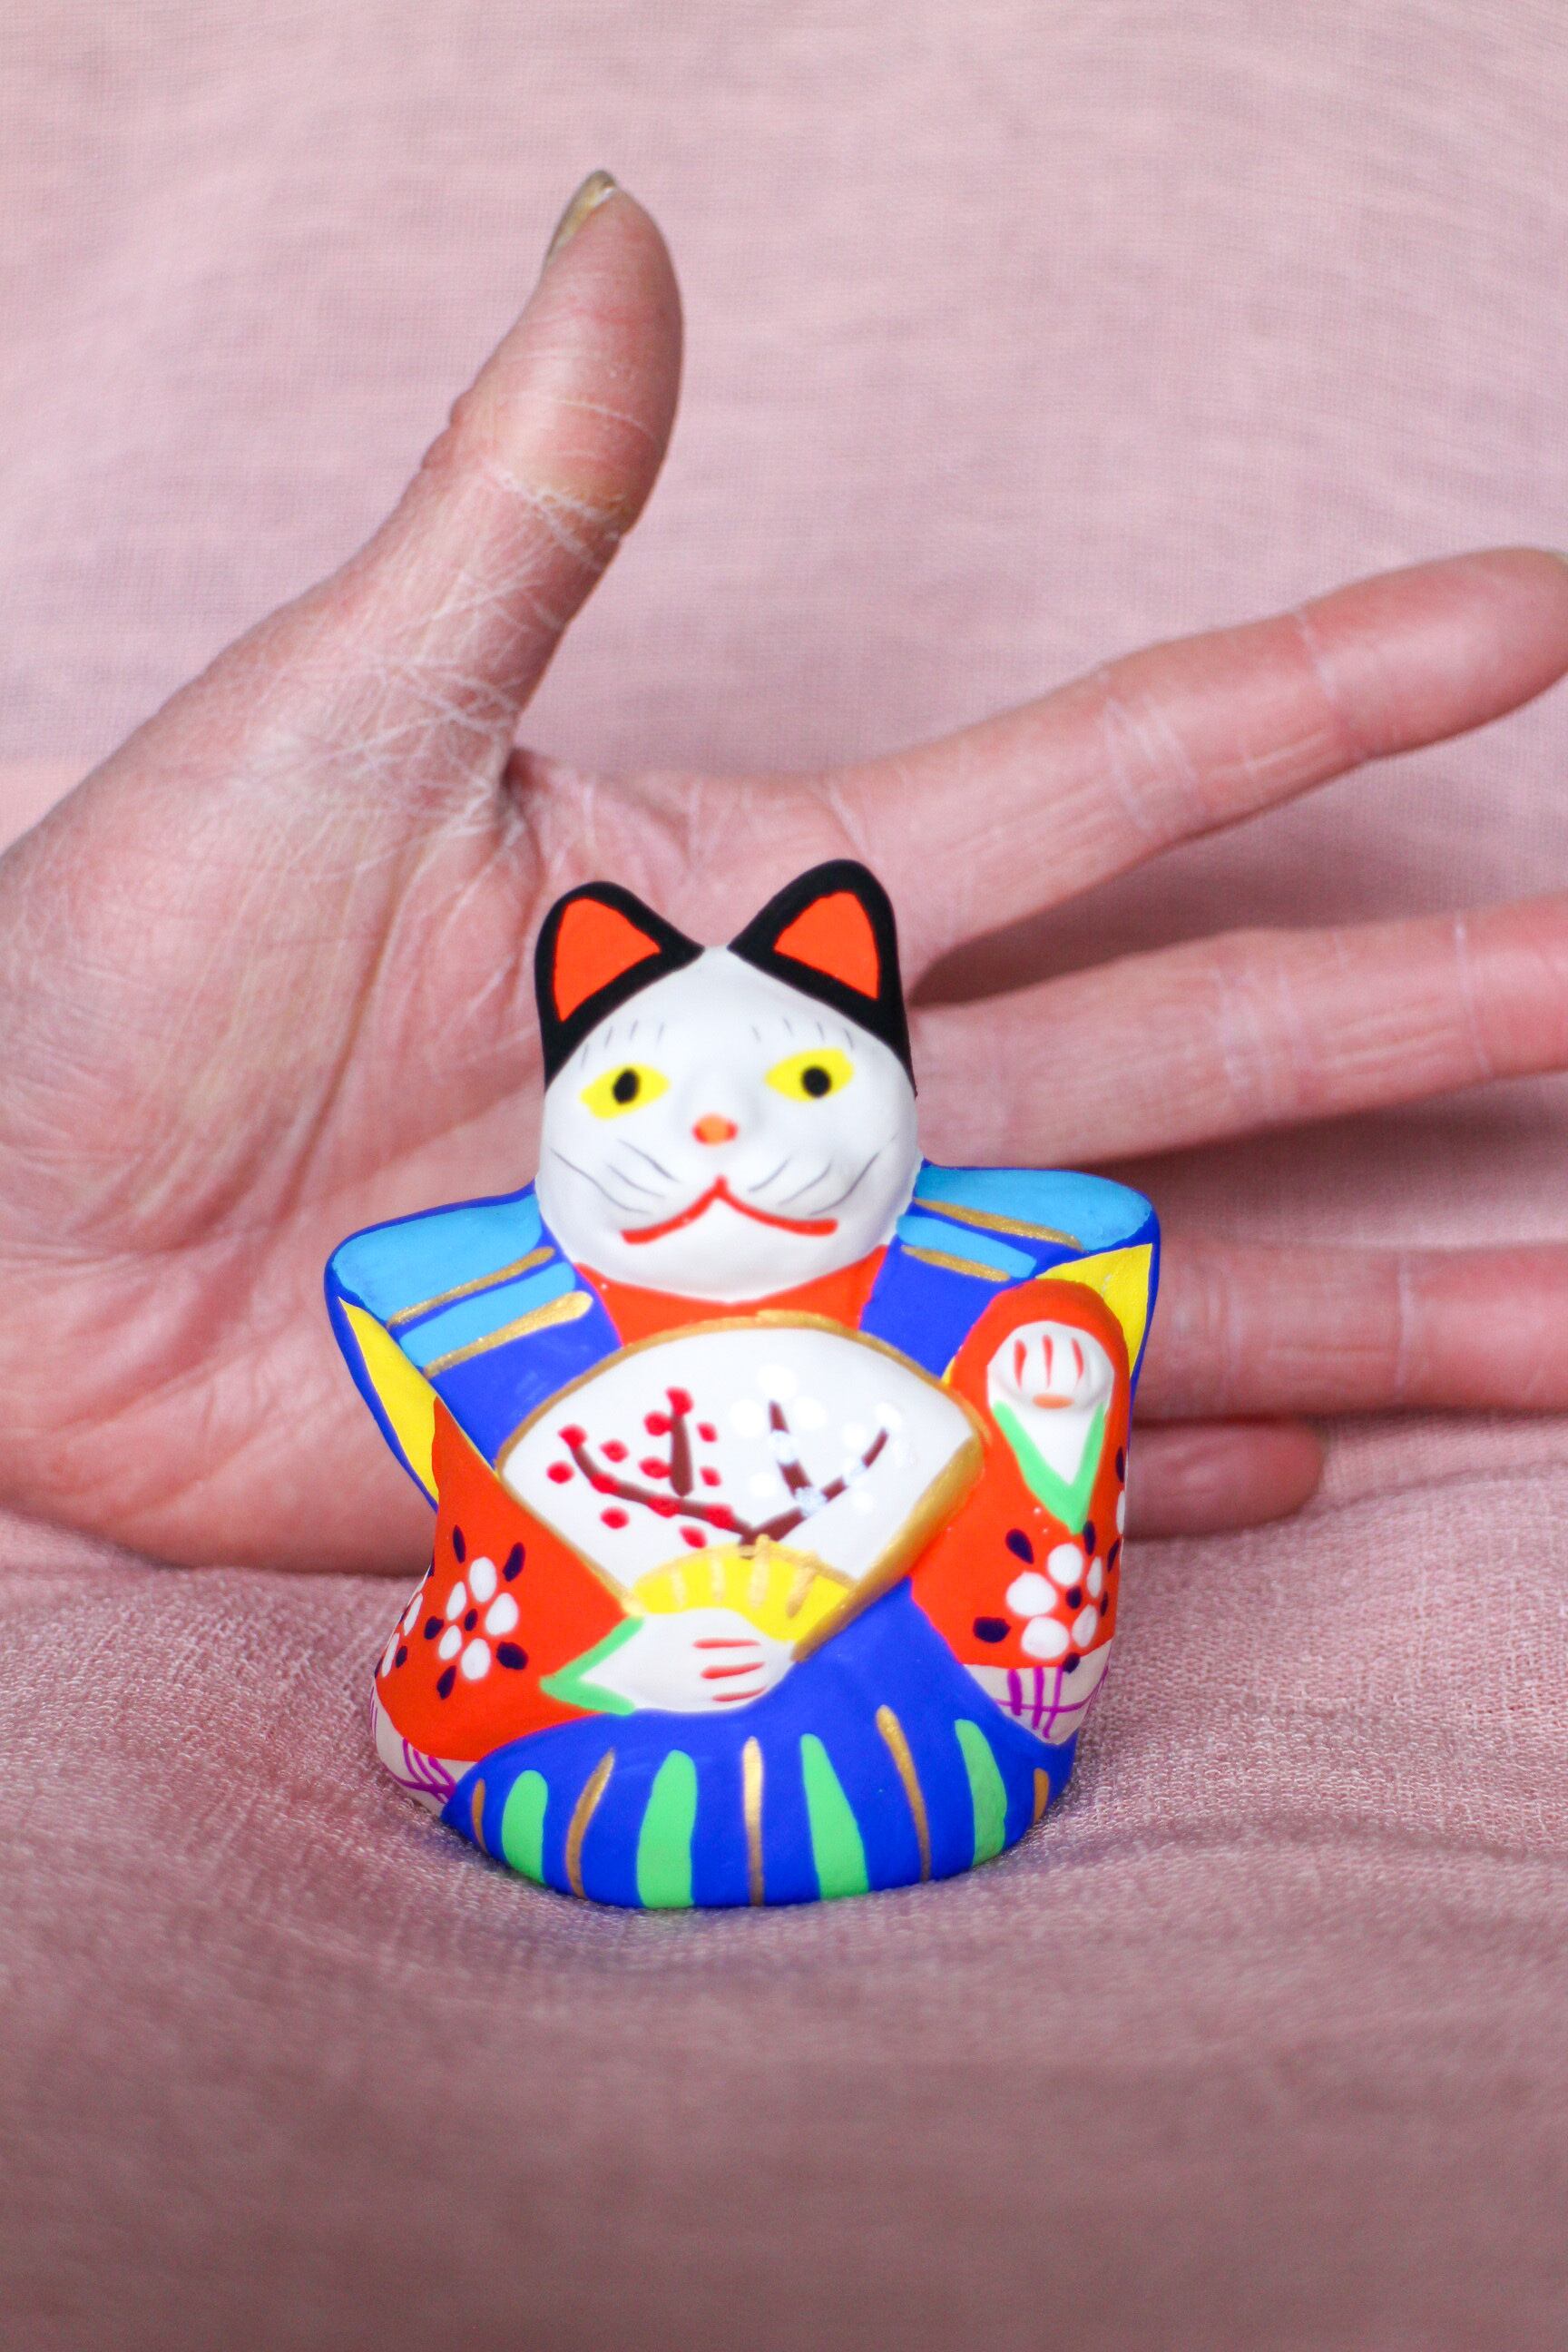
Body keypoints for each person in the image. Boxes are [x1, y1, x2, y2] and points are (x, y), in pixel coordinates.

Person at [2, 169, 1566, 1575]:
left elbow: (1019, 1457)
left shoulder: (991, 1258)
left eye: (810, 1081)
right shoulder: (446, 1287)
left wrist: (1041, 1433)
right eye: (630, 1087)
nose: (713, 1132)